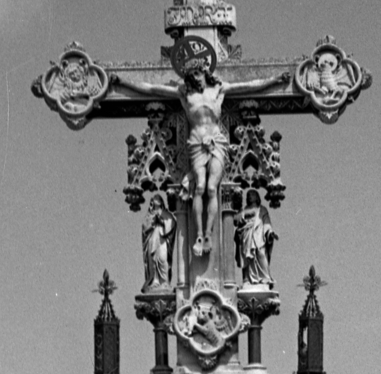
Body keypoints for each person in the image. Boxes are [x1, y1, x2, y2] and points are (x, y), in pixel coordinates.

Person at [112, 49, 288, 258]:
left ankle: (207, 233)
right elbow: (151, 89)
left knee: (212, 188)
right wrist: (122, 82)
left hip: (217, 142)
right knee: (200, 186)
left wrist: (276, 80)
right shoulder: (185, 94)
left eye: (196, 73)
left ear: (205, 72)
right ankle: (199, 235)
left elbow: (251, 86)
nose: (194, 78)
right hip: (196, 143)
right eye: (190, 75)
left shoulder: (219, 90)